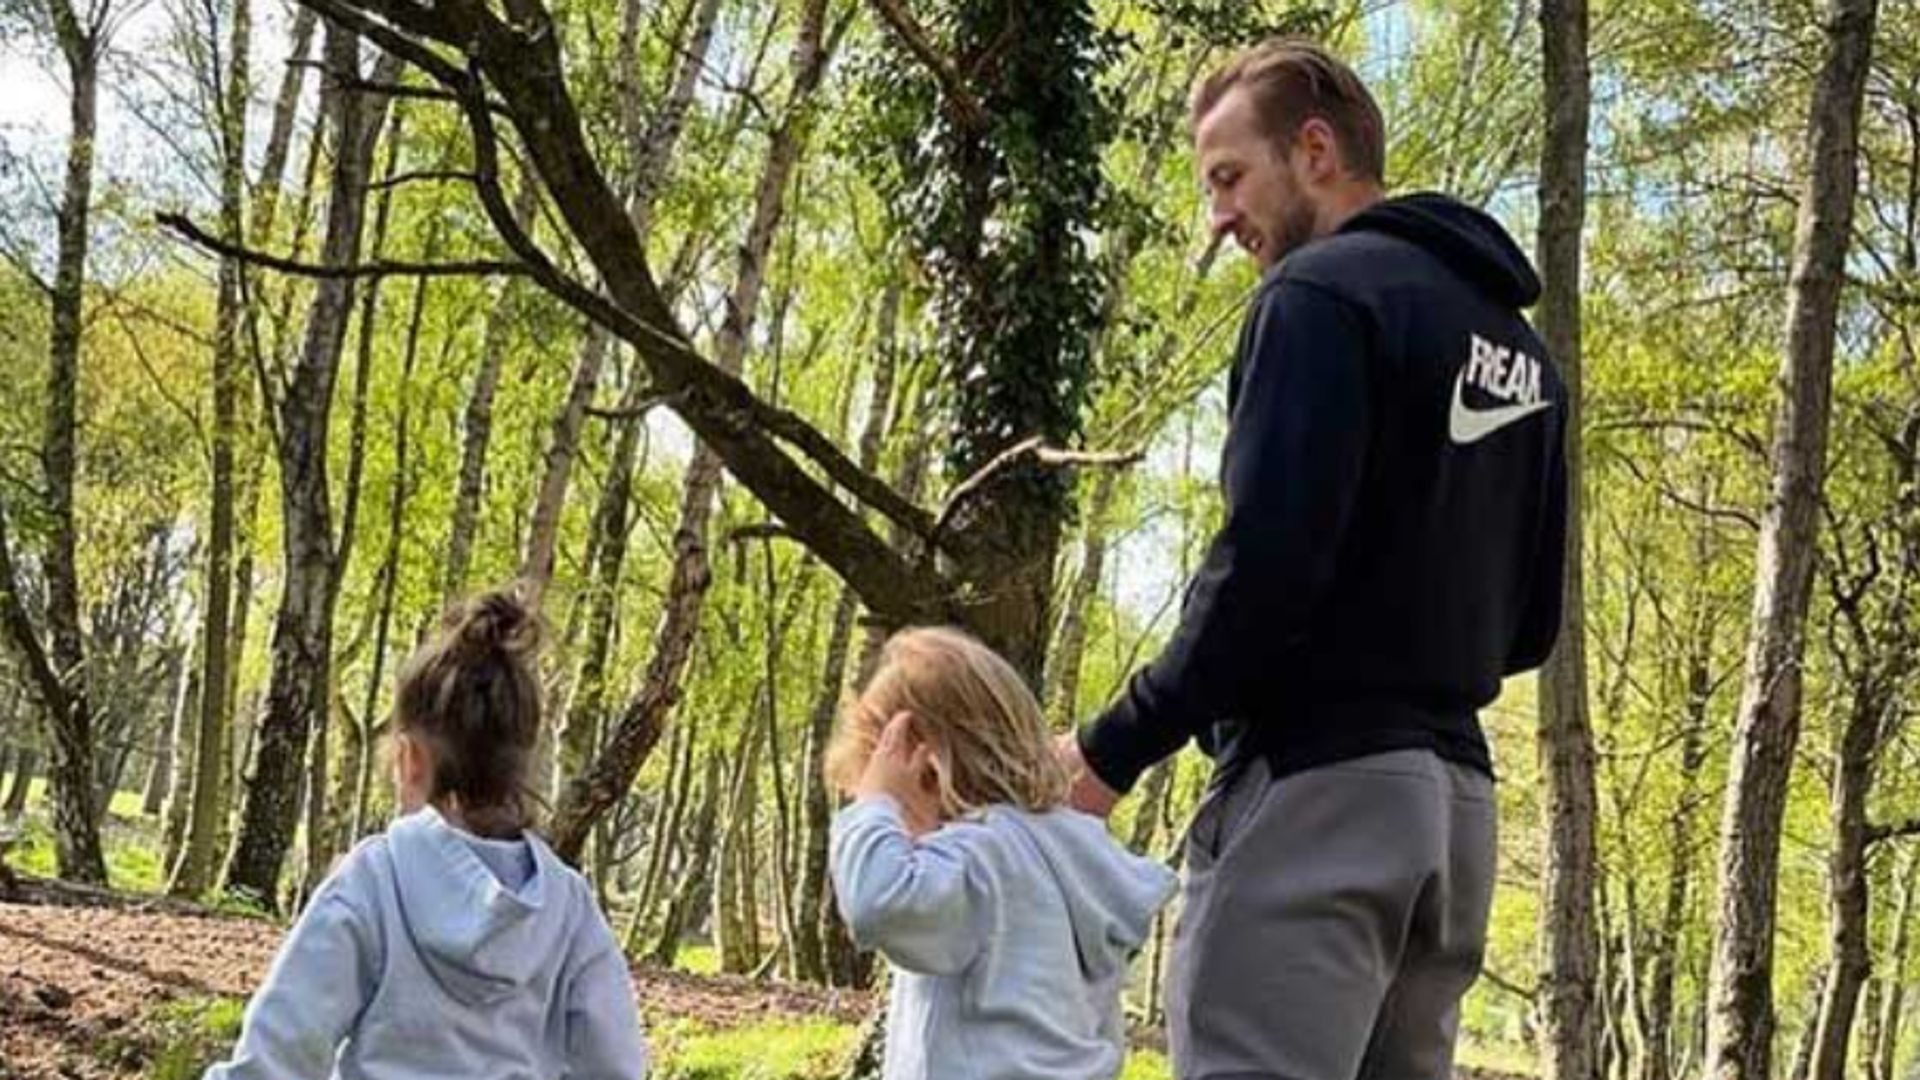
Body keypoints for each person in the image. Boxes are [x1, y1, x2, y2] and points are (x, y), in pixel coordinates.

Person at [1057, 37, 1569, 1080]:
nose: (1220, 215)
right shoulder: (1524, 353)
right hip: (1454, 819)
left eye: (1230, 177)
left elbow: (1264, 569)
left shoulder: (1319, 297)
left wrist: (1112, 747)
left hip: (1317, 803)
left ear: (1317, 150)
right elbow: (1531, 624)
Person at [203, 588, 649, 1080]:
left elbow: (277, 1053)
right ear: (524, 761)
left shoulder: (374, 880)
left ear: (410, 760)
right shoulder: (569, 910)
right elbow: (616, 1067)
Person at [826, 627, 1177, 1080]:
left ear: (929, 773)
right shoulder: (1069, 856)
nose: (900, 835)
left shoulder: (979, 856)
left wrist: (875, 804)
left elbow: (877, 903)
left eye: (898, 817)